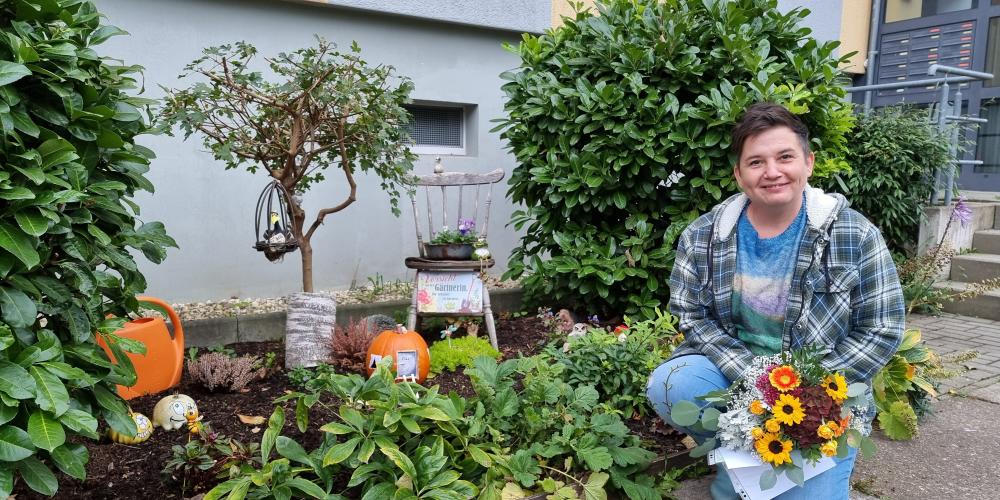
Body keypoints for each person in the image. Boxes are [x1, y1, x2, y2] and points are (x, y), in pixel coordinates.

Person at [646, 103, 904, 499]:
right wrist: (757, 381)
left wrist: (808, 392)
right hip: (734, 380)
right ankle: (733, 450)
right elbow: (691, 315)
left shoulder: (855, 234)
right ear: (738, 174)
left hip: (822, 396)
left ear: (809, 162)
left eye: (785, 157)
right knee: (671, 384)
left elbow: (882, 328)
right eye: (755, 162)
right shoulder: (702, 236)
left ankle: (777, 462)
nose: (772, 172)